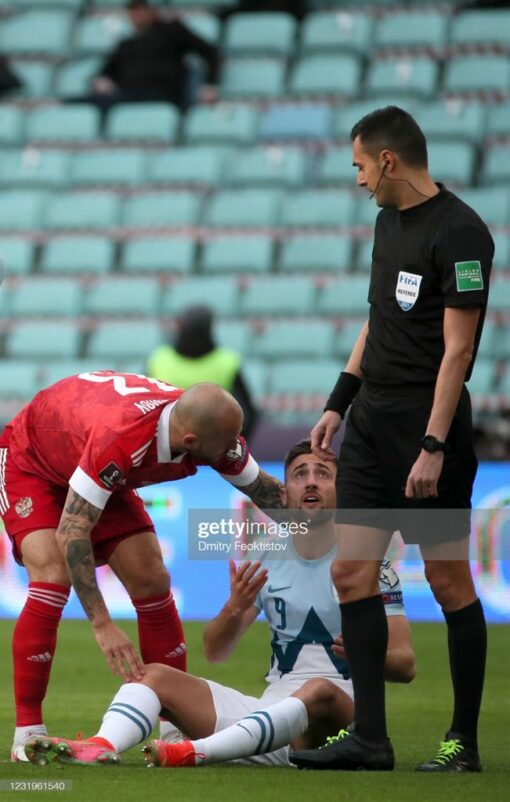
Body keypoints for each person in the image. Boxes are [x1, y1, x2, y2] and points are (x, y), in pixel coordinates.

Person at [290, 107, 494, 773]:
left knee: (447, 581)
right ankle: (371, 741)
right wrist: (338, 403)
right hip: (371, 427)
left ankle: (461, 743)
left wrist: (433, 445)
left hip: (425, 429)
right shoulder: (386, 224)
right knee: (352, 574)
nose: (356, 180)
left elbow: (458, 351)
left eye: (357, 165)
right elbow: (377, 320)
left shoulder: (463, 232)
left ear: (386, 160)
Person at [24, 440, 415, 768]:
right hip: (267, 725)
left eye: (322, 474)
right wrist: (234, 607)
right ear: (286, 492)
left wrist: (367, 653)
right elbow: (214, 651)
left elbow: (406, 665)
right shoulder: (266, 554)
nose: (310, 482)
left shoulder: (370, 561)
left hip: (341, 723)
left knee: (317, 689)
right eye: (299, 474)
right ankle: (101, 746)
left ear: (340, 488)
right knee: (154, 675)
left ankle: (190, 753)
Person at [0, 372, 283, 762]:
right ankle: (27, 731)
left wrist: (347, 533)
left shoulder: (206, 429)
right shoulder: (121, 441)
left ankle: (174, 723)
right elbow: (73, 531)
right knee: (52, 573)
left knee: (151, 576)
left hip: (89, 459)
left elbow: (265, 492)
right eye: (226, 446)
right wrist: (102, 624)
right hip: (32, 459)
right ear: (190, 443)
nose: (234, 450)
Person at [81, 0, 220, 112]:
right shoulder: (126, 44)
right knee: (83, 103)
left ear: (152, 10)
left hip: (162, 94)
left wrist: (210, 84)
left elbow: (211, 53)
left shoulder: (173, 31)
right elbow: (103, 74)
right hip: (127, 95)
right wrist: (101, 82)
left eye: (140, 9)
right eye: (132, 11)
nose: (136, 15)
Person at [147, 305, 259, 439]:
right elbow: (247, 415)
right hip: (212, 447)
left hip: (171, 446)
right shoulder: (227, 361)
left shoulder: (159, 359)